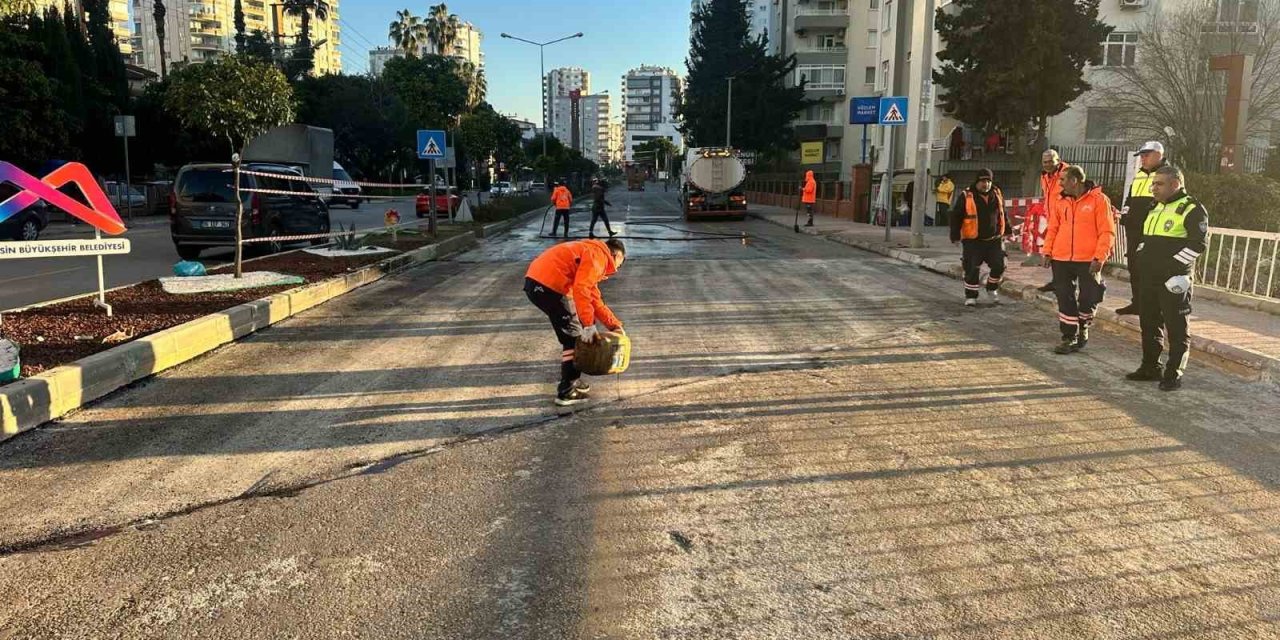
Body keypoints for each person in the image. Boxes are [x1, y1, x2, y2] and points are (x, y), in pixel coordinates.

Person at [1128, 165, 1208, 391]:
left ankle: (1174, 374)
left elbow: (1198, 244)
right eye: (1153, 183)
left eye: (1159, 184)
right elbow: (1146, 238)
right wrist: (1141, 256)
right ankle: (1150, 367)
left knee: (1177, 327)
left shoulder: (1191, 208)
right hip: (1149, 278)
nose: (1153, 188)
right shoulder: (1155, 207)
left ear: (1175, 184)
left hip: (1174, 281)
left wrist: (1172, 266)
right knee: (1149, 323)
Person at [524, 238, 627, 406]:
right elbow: (581, 289)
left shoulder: (590, 252)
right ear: (616, 254)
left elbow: (594, 298)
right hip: (549, 286)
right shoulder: (598, 256)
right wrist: (588, 324)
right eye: (620, 263)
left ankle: (574, 380)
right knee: (573, 338)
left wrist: (614, 325)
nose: (617, 268)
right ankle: (567, 390)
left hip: (540, 283)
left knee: (574, 334)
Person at [1041, 165, 1115, 354]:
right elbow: (1053, 228)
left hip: (1089, 259)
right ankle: (1069, 337)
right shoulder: (1060, 201)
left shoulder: (1099, 200)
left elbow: (1107, 231)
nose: (1060, 183)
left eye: (1063, 180)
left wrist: (1100, 257)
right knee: (1064, 297)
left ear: (1075, 181)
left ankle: (1083, 325)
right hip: (1061, 257)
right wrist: (1047, 251)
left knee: (1089, 297)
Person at [1116, 141, 1168, 316]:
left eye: (1147, 155)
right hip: (1134, 228)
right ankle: (1137, 303)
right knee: (1134, 266)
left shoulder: (1166, 174)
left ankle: (1150, 305)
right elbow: (1130, 198)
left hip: (1152, 230)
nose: (1143, 159)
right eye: (1142, 156)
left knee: (1149, 268)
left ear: (1159, 155)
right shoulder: (1139, 174)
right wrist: (1125, 215)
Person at [949, 168, 1012, 307]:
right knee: (972, 268)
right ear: (977, 182)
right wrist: (955, 236)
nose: (986, 184)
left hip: (994, 239)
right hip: (973, 241)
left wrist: (1008, 230)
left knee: (999, 265)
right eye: (983, 181)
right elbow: (956, 216)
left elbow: (1003, 213)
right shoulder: (967, 195)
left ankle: (991, 287)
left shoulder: (997, 194)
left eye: (989, 181)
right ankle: (971, 297)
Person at [1036, 150, 1071, 292]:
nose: (1048, 164)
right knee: (1055, 252)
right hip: (1053, 219)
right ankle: (1057, 281)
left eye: (1051, 161)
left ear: (1058, 160)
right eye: (1045, 162)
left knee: (1065, 253)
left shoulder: (1067, 173)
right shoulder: (1044, 176)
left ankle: (1064, 283)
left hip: (1066, 219)